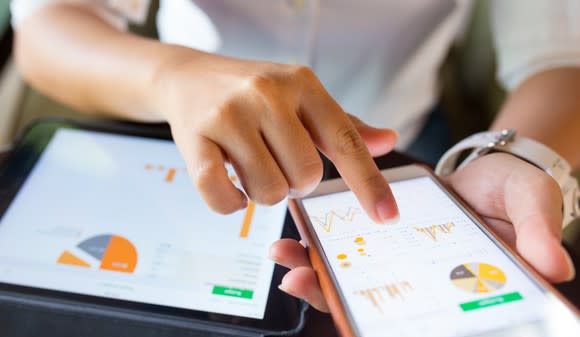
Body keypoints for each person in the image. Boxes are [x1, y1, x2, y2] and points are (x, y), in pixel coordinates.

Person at [10, 0, 580, 311]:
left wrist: (522, 156)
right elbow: (48, 25)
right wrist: (173, 75)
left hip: (399, 151)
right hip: (193, 137)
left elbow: (561, 54)